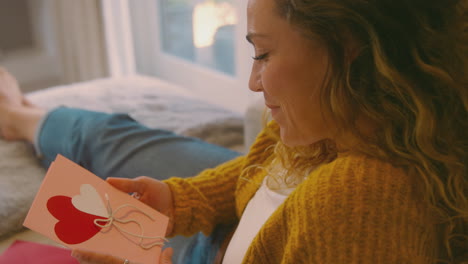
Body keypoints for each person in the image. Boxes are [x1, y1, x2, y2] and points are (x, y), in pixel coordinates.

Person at [1, 0, 467, 263]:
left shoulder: (359, 202)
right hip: (238, 228)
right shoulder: (337, 117)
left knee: (92, 189)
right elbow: (266, 171)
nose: (252, 81)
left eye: (262, 54)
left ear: (349, 51)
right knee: (116, 141)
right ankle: (22, 116)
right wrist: (179, 200)